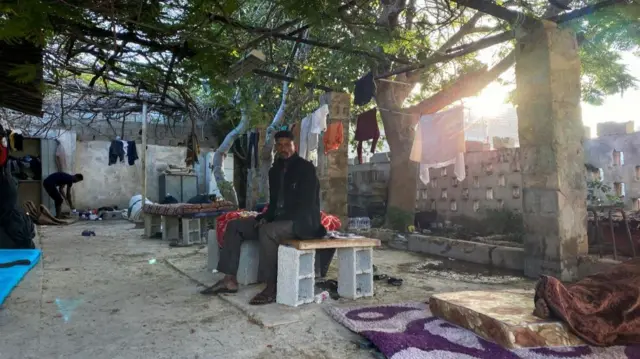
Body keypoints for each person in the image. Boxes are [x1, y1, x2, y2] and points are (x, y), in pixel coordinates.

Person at [201, 130, 326, 305]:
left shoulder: (306, 168)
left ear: (294, 146)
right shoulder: (274, 171)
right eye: (279, 145)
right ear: (276, 147)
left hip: (302, 223)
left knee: (268, 231)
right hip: (279, 220)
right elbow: (274, 203)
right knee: (235, 225)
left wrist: (274, 220)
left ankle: (272, 286)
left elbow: (305, 204)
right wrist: (265, 216)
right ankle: (229, 279)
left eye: (287, 144)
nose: (283, 149)